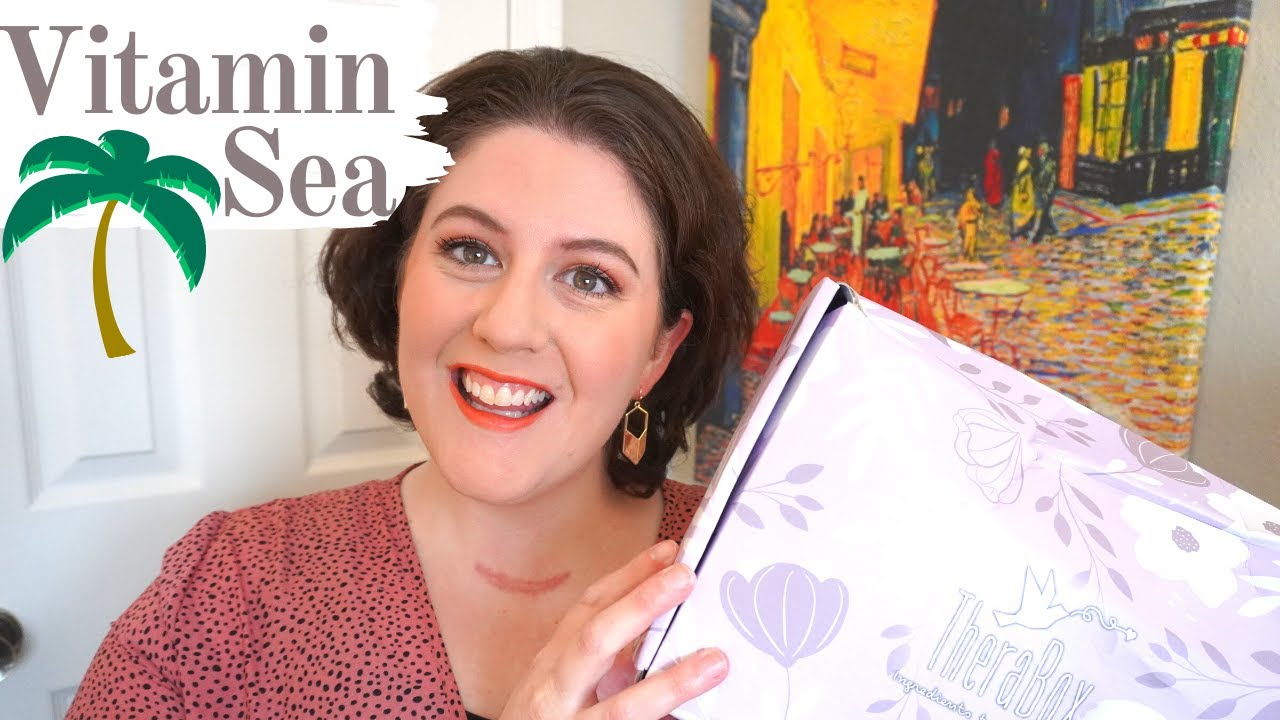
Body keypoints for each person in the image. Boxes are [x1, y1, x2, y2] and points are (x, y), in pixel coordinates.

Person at [66, 48, 758, 720]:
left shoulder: (767, 578)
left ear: (660, 348)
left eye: (589, 278)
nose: (507, 326)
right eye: (471, 250)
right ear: (399, 275)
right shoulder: (228, 588)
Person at [1032, 141, 1059, 243]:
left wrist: (1047, 192)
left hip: (1047, 192)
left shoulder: (1050, 164)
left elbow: (1052, 180)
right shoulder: (1040, 161)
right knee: (1044, 212)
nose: (1038, 151)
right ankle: (1052, 228)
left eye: (1040, 150)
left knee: (1044, 213)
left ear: (1044, 151)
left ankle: (1038, 236)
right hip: (1040, 190)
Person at [1010, 146, 1037, 240]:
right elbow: (1020, 178)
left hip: (1025, 187)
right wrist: (1022, 191)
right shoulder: (1024, 163)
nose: (1029, 153)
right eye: (1027, 152)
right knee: (1023, 209)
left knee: (1025, 209)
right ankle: (1018, 231)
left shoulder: (1024, 162)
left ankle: (1022, 230)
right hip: (1023, 189)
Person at [958, 186, 983, 260]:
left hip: (973, 223)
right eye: (969, 194)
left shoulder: (975, 204)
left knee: (972, 239)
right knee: (968, 238)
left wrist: (977, 214)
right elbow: (962, 216)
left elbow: (979, 211)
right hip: (967, 223)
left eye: (971, 195)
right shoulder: (966, 205)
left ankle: (970, 254)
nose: (970, 196)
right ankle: (966, 253)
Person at [983, 139, 1003, 207]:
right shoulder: (994, 154)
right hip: (994, 176)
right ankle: (995, 203)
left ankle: (994, 204)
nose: (989, 146)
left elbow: (992, 168)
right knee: (994, 191)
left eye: (991, 145)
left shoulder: (992, 155)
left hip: (993, 177)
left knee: (993, 191)